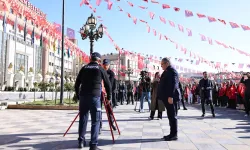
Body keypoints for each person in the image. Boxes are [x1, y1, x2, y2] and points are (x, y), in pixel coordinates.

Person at [75, 52, 112, 150]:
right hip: (95, 97)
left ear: (90, 59)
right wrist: (109, 97)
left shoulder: (84, 68)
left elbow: (77, 83)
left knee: (83, 119)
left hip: (83, 97)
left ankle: (81, 141)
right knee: (95, 121)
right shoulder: (100, 69)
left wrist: (78, 95)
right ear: (99, 61)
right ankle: (93, 144)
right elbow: (108, 84)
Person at [158, 57, 179, 141]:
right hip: (167, 97)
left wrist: (171, 96)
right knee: (170, 116)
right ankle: (172, 133)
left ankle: (174, 134)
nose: (161, 66)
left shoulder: (171, 71)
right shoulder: (167, 71)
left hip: (171, 98)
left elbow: (173, 84)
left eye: (162, 64)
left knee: (172, 116)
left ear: (167, 63)